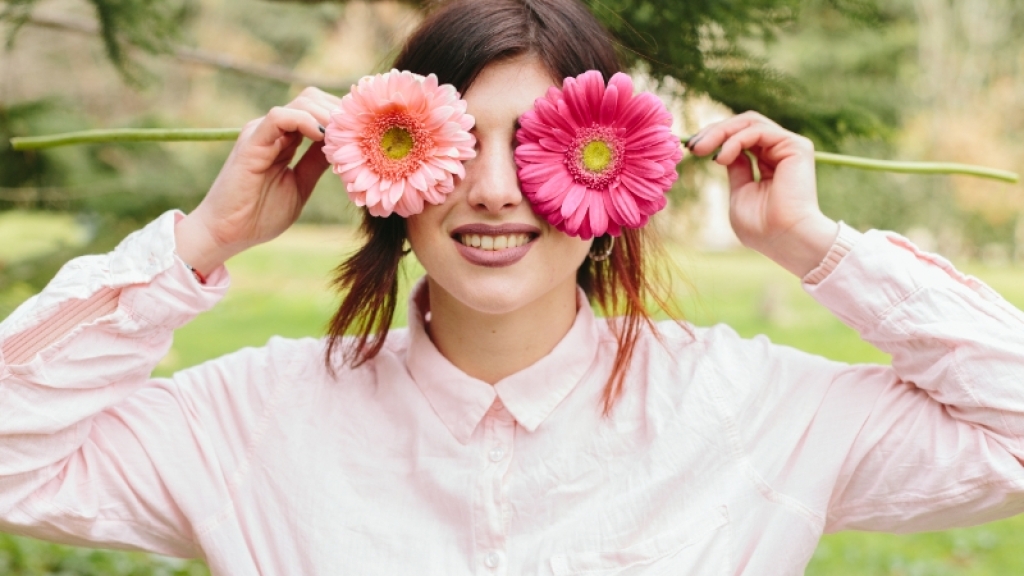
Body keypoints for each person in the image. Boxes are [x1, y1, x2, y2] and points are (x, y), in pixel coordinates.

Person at [2, 0, 1023, 574]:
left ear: (620, 175)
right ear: (387, 174)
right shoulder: (252, 419)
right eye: (456, 147)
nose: (494, 191)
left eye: (541, 147)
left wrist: (817, 248)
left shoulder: (749, 410)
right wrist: (202, 239)